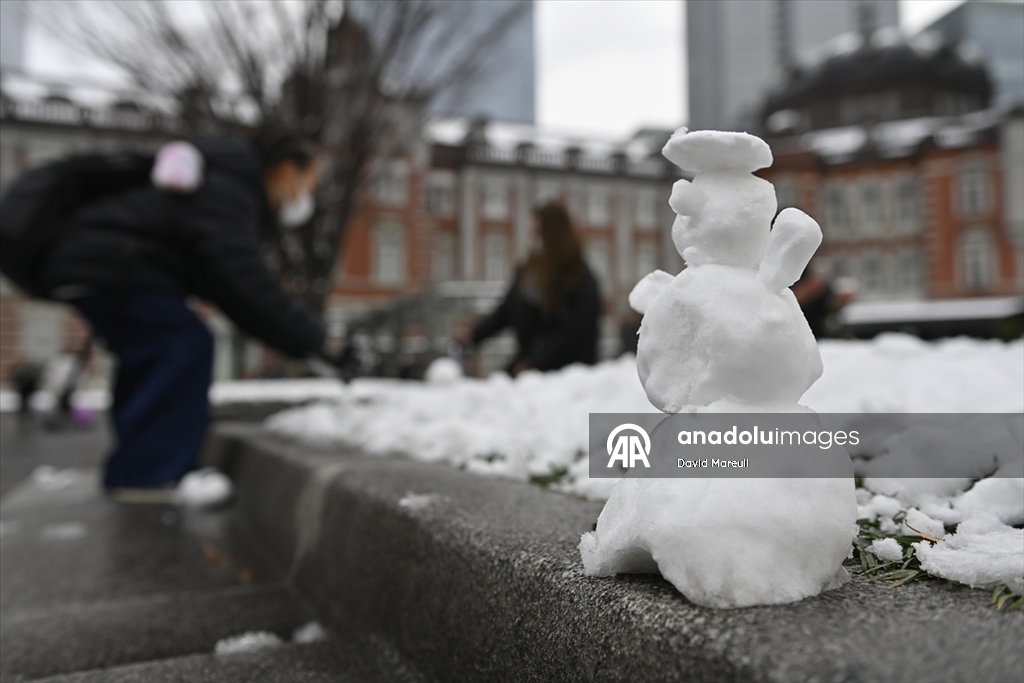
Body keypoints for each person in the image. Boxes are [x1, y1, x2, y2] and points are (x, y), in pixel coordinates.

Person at [39, 128, 333, 494]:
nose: (310, 195)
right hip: (113, 263)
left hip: (100, 262)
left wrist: (303, 343)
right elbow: (243, 282)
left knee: (155, 349)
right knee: (182, 343)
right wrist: (319, 341)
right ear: (288, 171)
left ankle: (137, 468)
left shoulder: (225, 181)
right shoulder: (231, 189)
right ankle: (149, 475)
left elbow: (236, 294)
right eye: (311, 181)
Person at [457, 203, 601, 375]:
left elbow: (575, 332)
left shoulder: (578, 277)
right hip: (529, 364)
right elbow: (506, 311)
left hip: (567, 374)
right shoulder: (530, 272)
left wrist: (535, 362)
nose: (535, 241)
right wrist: (473, 334)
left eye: (539, 233)